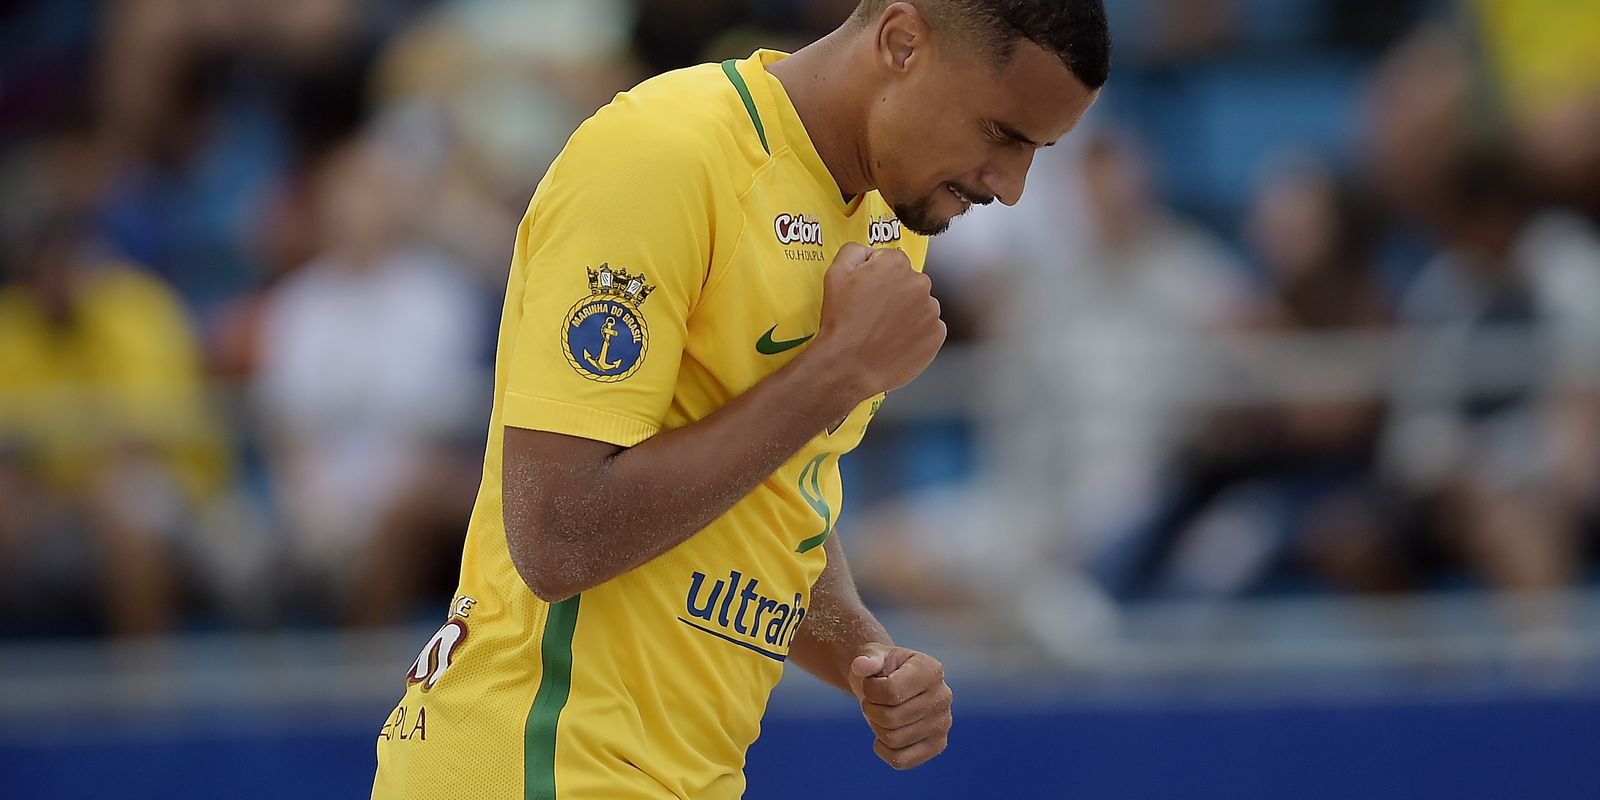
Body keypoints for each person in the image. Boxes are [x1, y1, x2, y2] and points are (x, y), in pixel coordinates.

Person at [370, 1, 1109, 797]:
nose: (1013, 186)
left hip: (686, 774)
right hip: (537, 759)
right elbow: (557, 537)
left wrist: (865, 653)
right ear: (901, 42)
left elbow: (772, 500)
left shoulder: (893, 223)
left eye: (1041, 152)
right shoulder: (664, 154)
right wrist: (835, 371)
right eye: (1003, 134)